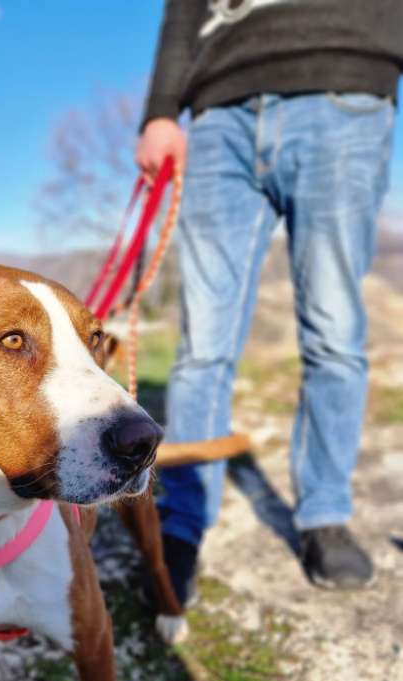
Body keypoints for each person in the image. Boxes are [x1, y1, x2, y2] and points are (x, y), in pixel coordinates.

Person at [136, 1, 401, 603]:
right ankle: (181, 526)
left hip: (345, 89)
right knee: (203, 341)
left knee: (333, 330)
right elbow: (183, 10)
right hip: (219, 114)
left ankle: (323, 515)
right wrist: (159, 113)